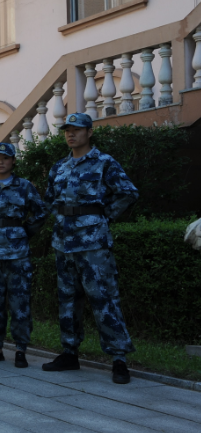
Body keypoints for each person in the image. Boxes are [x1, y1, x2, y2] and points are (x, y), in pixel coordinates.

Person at [42, 113, 138, 385]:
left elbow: (128, 192)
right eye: (67, 130)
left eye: (77, 129)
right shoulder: (59, 167)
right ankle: (69, 353)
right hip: (64, 243)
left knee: (103, 298)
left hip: (93, 243)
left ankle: (119, 359)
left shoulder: (104, 162)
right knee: (67, 300)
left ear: (90, 132)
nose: (71, 134)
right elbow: (50, 199)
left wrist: (103, 216)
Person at [0, 142, 47, 368]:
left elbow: (41, 212)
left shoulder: (25, 187)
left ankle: (20, 349)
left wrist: (24, 232)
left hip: (17, 255)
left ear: (13, 161)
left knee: (20, 303)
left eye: (5, 158)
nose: (1, 162)